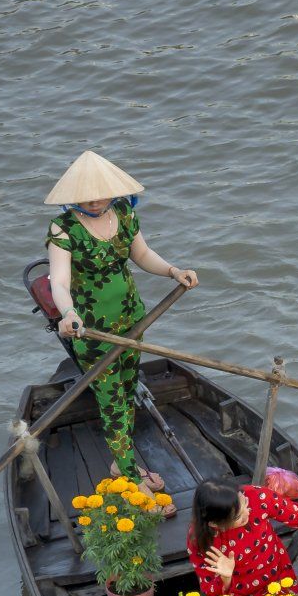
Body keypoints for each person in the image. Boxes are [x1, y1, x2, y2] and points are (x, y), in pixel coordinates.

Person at [46, 150, 198, 489]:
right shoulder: (64, 228)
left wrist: (174, 271)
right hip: (91, 329)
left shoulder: (124, 213)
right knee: (111, 399)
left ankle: (120, 460)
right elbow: (59, 281)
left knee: (128, 388)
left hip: (132, 318)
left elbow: (142, 254)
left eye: (101, 194)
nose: (95, 201)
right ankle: (130, 476)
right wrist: (68, 313)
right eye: (87, 195)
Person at [187, 477, 298, 596]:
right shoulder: (201, 540)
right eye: (238, 517)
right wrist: (225, 577)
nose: (248, 512)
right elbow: (210, 590)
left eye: (245, 502)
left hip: (278, 576)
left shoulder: (256, 496)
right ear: (215, 524)